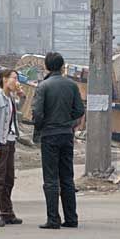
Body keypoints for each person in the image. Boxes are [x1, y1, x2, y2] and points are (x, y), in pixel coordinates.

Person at [31, 52, 85, 229]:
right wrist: (69, 122)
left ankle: (53, 219)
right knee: (67, 177)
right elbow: (79, 110)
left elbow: (37, 114)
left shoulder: (43, 86)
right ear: (62, 66)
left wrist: (42, 125)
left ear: (46, 66)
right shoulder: (72, 85)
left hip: (49, 135)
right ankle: (71, 218)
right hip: (66, 135)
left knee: (51, 178)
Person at [0, 68, 24, 227]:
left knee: (8, 179)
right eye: (14, 78)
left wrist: (21, 97)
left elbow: (14, 116)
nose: (16, 81)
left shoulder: (9, 98)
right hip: (0, 143)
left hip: (10, 141)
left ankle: (7, 213)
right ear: (4, 79)